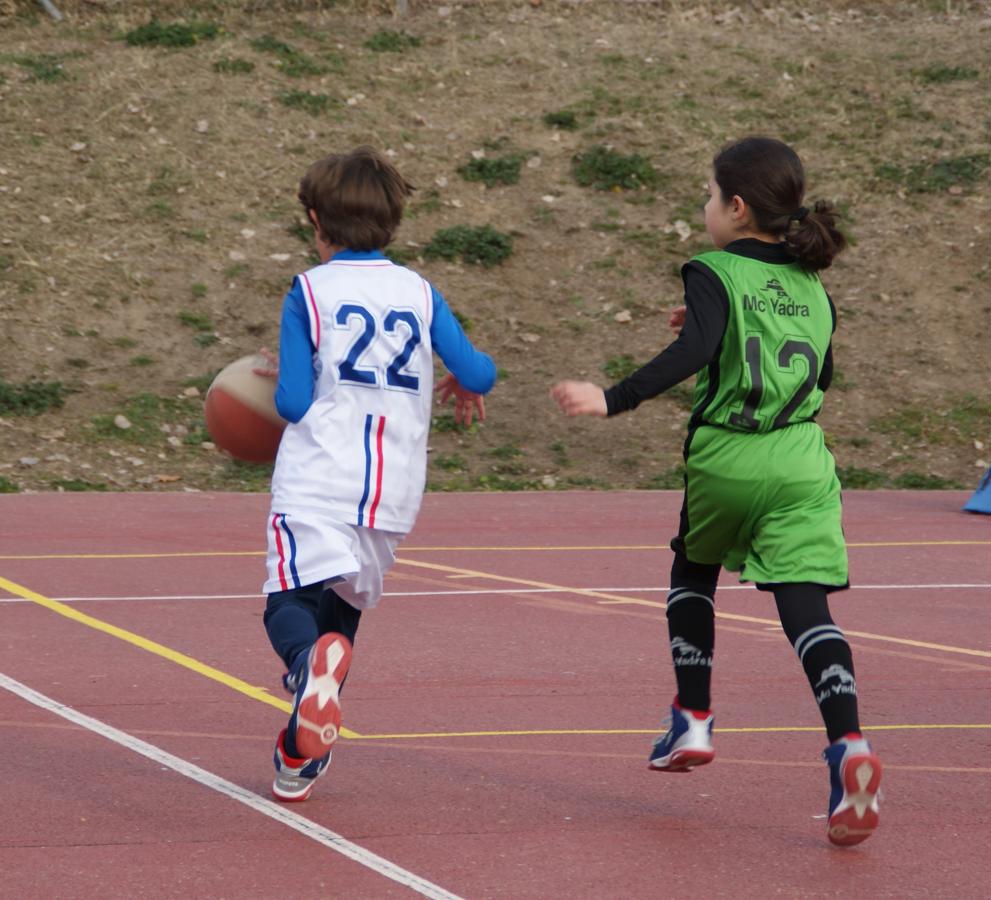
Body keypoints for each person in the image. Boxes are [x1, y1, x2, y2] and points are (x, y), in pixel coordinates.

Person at [551, 136, 881, 847]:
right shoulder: (814, 285)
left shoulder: (713, 269)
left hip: (728, 455)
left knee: (693, 571)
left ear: (735, 208)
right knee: (807, 608)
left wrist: (613, 397)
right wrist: (718, 329)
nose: (703, 207)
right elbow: (818, 375)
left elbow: (695, 352)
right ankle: (848, 744)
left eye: (707, 195)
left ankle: (693, 718)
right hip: (801, 460)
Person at [258, 147, 496, 802]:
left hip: (320, 475)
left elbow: (293, 403)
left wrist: (283, 376)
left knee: (289, 601)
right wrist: (458, 377)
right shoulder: (419, 292)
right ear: (393, 221)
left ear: (315, 220)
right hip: (391, 488)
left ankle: (304, 668)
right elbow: (478, 374)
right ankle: (298, 754)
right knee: (341, 610)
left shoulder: (309, 290)